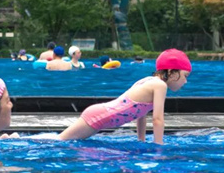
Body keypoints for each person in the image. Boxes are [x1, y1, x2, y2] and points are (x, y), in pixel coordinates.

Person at [59, 49, 191, 145]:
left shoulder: (148, 81)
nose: (185, 81)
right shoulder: (160, 85)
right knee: (57, 141)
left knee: (64, 140)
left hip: (99, 115)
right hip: (98, 117)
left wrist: (141, 141)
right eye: (185, 76)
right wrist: (159, 146)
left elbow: (142, 115)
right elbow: (158, 120)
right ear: (171, 72)